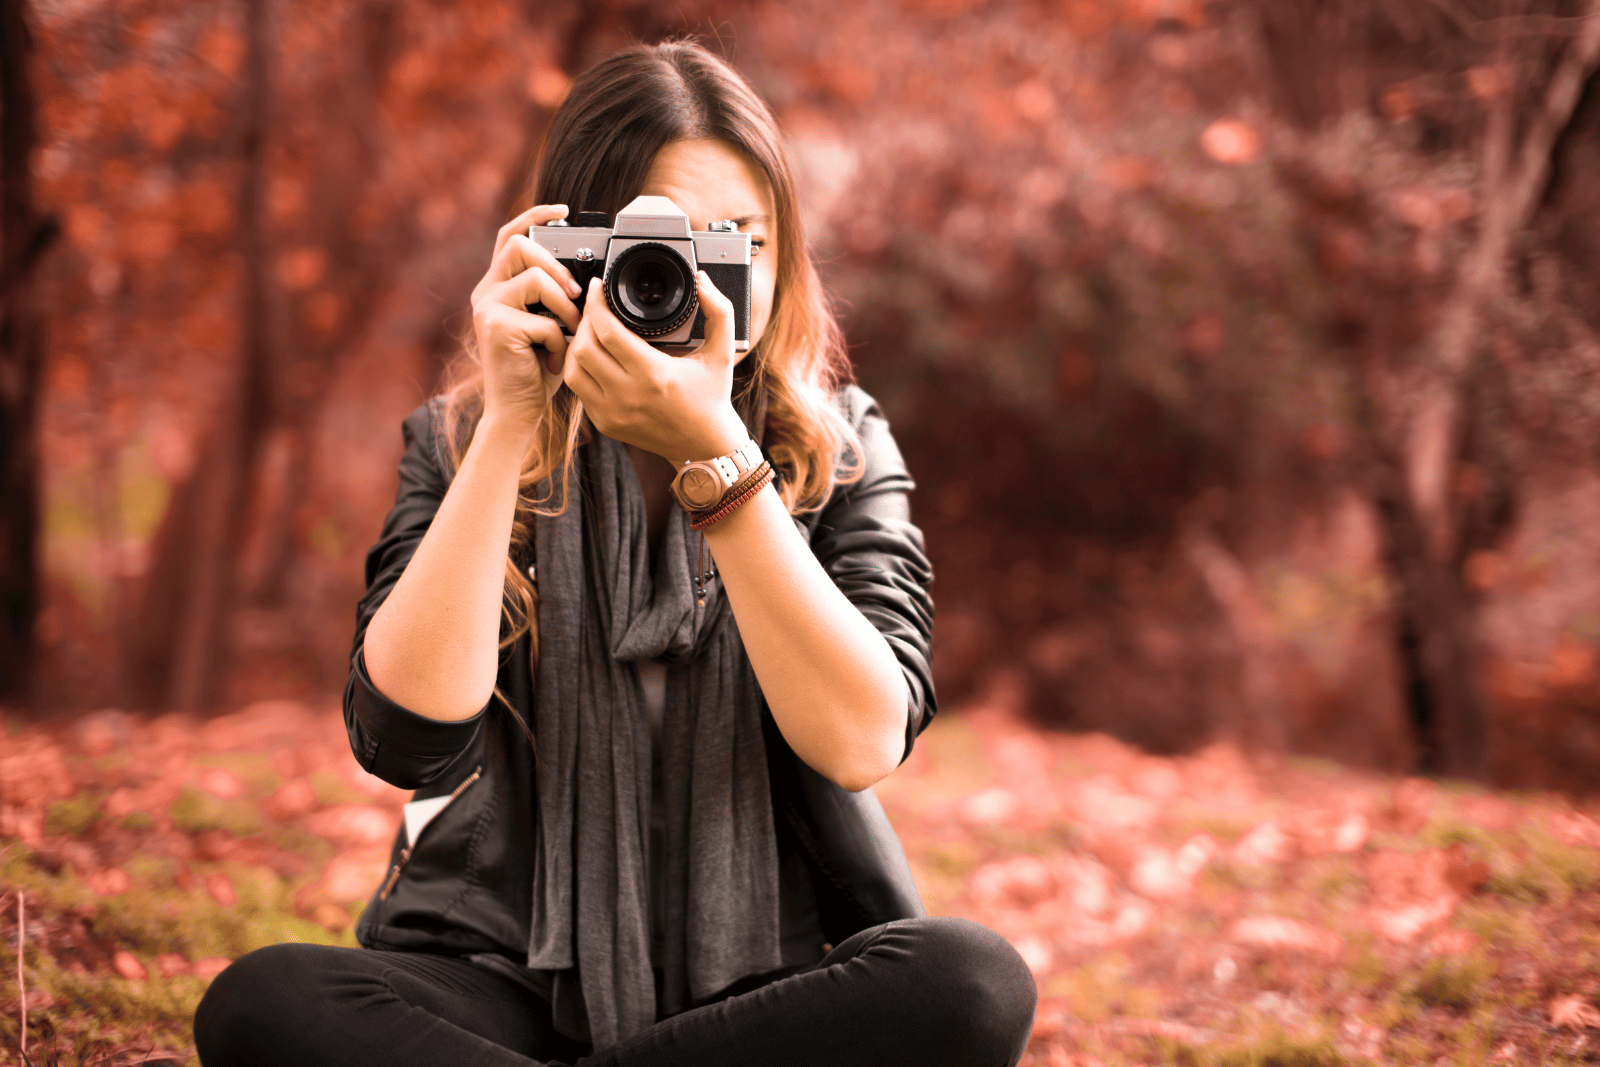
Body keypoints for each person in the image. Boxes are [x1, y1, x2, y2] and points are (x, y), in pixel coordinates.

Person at [193, 40, 1036, 1067]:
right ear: (567, 253)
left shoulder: (842, 444)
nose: (692, 278)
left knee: (969, 981)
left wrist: (720, 460)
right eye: (659, 248)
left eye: (742, 240)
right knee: (262, 997)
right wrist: (508, 428)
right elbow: (405, 738)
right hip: (504, 972)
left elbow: (862, 738)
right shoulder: (460, 440)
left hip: (768, 982)